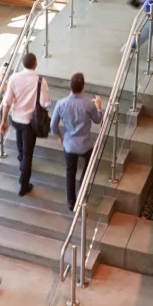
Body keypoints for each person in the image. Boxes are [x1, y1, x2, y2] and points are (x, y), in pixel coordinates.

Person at [50, 73, 102, 211]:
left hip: (69, 145)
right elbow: (97, 120)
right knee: (88, 164)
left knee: (70, 171)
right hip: (86, 145)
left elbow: (53, 126)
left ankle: (71, 202)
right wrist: (98, 107)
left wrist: (60, 137)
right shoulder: (88, 105)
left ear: (70, 86)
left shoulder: (61, 104)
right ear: (83, 87)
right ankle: (82, 187)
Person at [0, 52, 50, 196]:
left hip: (16, 119)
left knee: (21, 143)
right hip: (30, 122)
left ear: (23, 64)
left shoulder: (14, 78)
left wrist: (3, 121)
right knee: (29, 153)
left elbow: (7, 101)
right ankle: (23, 184)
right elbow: (43, 103)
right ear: (35, 64)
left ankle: (21, 159)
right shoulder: (41, 81)